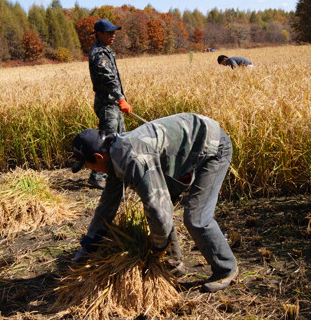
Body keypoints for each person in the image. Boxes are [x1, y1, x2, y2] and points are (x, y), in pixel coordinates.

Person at [71, 113, 239, 293]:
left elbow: (158, 209)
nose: (89, 170)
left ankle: (226, 269)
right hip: (182, 152)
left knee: (196, 218)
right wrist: (89, 244)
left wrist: (158, 248)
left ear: (98, 157)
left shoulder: (133, 159)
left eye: (87, 165)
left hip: (211, 145)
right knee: (158, 210)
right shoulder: (113, 156)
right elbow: (107, 205)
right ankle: (173, 264)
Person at [87, 18, 132, 189]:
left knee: (120, 138)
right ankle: (97, 176)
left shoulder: (105, 50)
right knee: (108, 140)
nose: (113, 35)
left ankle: (120, 173)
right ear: (99, 34)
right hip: (108, 104)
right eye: (109, 32)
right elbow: (108, 78)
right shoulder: (99, 53)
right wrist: (121, 98)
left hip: (112, 103)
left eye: (114, 32)